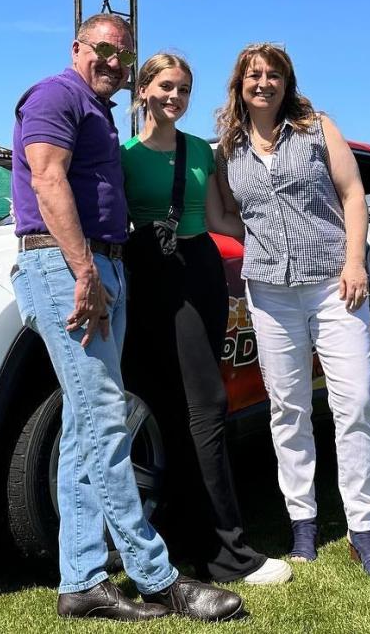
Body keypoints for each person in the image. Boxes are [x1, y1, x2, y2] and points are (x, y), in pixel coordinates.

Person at [10, 13, 243, 622]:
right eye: (104, 50)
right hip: (67, 269)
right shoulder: (56, 94)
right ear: (77, 47)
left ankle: (81, 581)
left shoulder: (98, 112)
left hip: (98, 268)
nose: (113, 60)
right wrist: (85, 271)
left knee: (86, 434)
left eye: (123, 53)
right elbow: (47, 178)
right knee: (106, 419)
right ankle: (157, 576)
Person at [213, 42, 370, 580]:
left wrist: (355, 262)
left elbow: (353, 193)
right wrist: (257, 239)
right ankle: (304, 526)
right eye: (253, 75)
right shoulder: (229, 146)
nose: (263, 82)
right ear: (240, 85)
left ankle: (363, 530)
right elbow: (221, 211)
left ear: (286, 82)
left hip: (333, 285)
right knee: (287, 410)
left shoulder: (317, 127)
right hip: (268, 292)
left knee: (356, 401)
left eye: (272, 74)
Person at [121, 52, 291, 587]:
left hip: (196, 272)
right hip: (144, 279)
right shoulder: (120, 153)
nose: (176, 97)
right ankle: (172, 544)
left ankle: (227, 553)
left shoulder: (200, 151)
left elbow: (219, 218)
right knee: (160, 409)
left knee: (207, 406)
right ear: (144, 89)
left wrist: (282, 230)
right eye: (167, 86)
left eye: (185, 89)